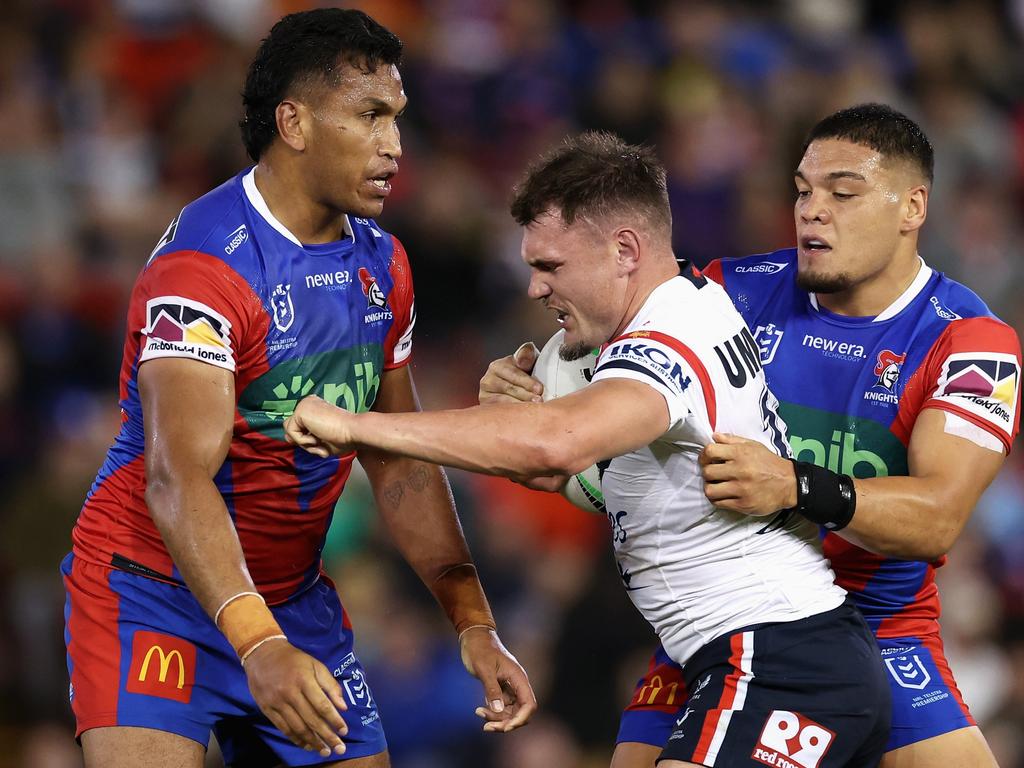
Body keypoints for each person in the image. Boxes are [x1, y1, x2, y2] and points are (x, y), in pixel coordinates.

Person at [284, 131, 892, 767]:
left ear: (625, 249)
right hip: (735, 655)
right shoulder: (661, 321)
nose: (535, 289)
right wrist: (522, 427)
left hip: (781, 659)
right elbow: (581, 477)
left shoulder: (667, 343)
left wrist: (359, 426)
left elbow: (554, 447)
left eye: (550, 266)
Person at [60, 9, 535, 768]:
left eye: (398, 119)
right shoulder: (204, 271)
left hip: (292, 597)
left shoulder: (385, 265)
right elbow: (176, 478)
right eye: (371, 116)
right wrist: (259, 646)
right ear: (296, 123)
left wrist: (472, 622)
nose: (394, 146)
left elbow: (400, 461)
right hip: (154, 592)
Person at [481, 104, 1021, 768]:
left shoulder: (971, 345)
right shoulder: (725, 295)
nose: (812, 210)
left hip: (881, 630)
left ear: (913, 207)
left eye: (842, 193)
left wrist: (793, 486)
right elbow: (601, 340)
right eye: (802, 191)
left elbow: (937, 520)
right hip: (722, 619)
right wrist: (528, 393)